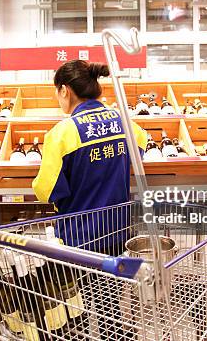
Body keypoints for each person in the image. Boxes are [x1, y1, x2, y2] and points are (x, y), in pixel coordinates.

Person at [32, 59, 146, 250]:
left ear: (64, 90)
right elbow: (141, 145)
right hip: (117, 231)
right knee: (112, 280)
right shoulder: (124, 122)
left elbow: (46, 192)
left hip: (79, 238)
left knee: (86, 281)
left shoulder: (61, 134)